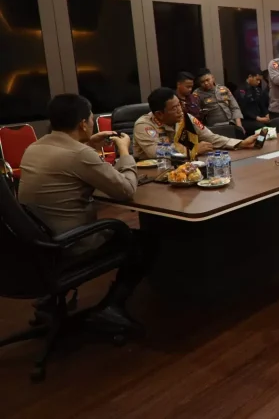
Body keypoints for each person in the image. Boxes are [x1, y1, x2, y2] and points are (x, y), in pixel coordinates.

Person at [18, 94, 150, 329]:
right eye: (90, 119)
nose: (91, 122)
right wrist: (124, 152)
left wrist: (88, 145)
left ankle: (50, 301)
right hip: (71, 244)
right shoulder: (79, 154)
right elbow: (126, 189)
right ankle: (111, 306)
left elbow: (67, 165)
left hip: (39, 244)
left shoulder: (34, 147)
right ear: (83, 124)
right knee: (145, 242)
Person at [133, 87, 257, 160]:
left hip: (180, 168)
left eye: (179, 105)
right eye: (174, 108)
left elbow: (211, 137)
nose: (180, 110)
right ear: (159, 114)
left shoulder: (185, 118)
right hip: (151, 175)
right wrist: (192, 150)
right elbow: (155, 152)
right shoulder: (144, 125)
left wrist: (240, 143)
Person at [194, 68, 244, 135]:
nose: (206, 83)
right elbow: (195, 114)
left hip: (231, 123)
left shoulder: (223, 89)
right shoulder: (197, 94)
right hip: (213, 128)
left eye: (207, 80)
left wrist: (239, 125)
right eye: (202, 82)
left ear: (213, 78)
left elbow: (235, 107)